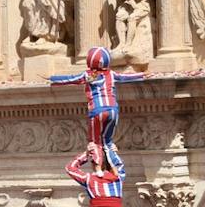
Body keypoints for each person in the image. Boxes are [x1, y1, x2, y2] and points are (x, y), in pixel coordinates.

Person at [49, 46, 144, 180]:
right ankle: (116, 170)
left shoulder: (89, 75)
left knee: (95, 141)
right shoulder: (111, 74)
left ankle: (98, 169)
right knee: (108, 142)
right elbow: (125, 77)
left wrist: (53, 79)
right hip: (113, 110)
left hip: (97, 111)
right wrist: (142, 75)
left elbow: (71, 79)